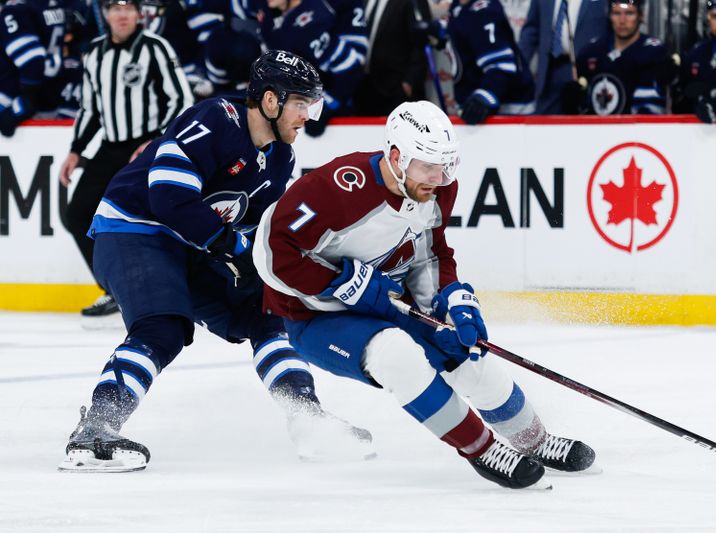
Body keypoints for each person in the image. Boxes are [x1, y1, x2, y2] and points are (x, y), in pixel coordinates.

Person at [58, 49, 374, 472]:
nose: (308, 117)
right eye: (301, 104)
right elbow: (168, 196)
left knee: (270, 311)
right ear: (269, 101)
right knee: (164, 325)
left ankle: (307, 417)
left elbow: (258, 232)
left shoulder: (280, 158)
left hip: (195, 245)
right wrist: (234, 249)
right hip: (133, 229)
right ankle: (95, 429)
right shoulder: (214, 119)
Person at [252, 100, 596, 489]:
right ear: (396, 157)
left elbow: (431, 254)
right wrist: (341, 282)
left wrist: (452, 300)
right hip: (315, 316)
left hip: (385, 298)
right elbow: (271, 251)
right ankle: (482, 450)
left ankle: (534, 441)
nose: (439, 176)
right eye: (428, 165)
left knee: (465, 347)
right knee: (396, 354)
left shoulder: (439, 188)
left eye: (447, 165)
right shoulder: (337, 187)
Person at [58, 0, 194, 320]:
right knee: (78, 215)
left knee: (157, 219)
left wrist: (157, 140)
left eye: (128, 9)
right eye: (115, 9)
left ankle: (177, 289)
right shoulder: (94, 53)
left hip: (147, 146)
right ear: (105, 14)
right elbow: (91, 108)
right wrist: (76, 149)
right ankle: (114, 291)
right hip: (110, 146)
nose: (122, 15)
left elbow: (181, 99)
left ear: (138, 14)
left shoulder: (155, 48)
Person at [261, 0, 368, 137]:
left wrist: (324, 107)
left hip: (332, 121)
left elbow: (350, 70)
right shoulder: (277, 18)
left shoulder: (310, 23)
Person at [574, 0, 675, 115]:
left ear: (641, 16)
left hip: (641, 129)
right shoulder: (592, 52)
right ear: (609, 16)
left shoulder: (655, 52)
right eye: (616, 13)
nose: (622, 21)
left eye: (629, 13)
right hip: (599, 129)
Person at [446, 0, 536, 124]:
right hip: (474, 109)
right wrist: (438, 31)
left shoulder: (484, 12)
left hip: (507, 111)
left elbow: (501, 66)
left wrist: (485, 95)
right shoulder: (458, 6)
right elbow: (464, 33)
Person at [517, 0, 608, 115]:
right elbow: (531, 30)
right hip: (549, 72)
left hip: (586, 73)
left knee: (583, 125)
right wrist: (517, 67)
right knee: (543, 126)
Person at [0, 0, 69, 137]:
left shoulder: (16, 10)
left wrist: (20, 107)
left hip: (13, 102)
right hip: (48, 99)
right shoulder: (54, 5)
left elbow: (32, 62)